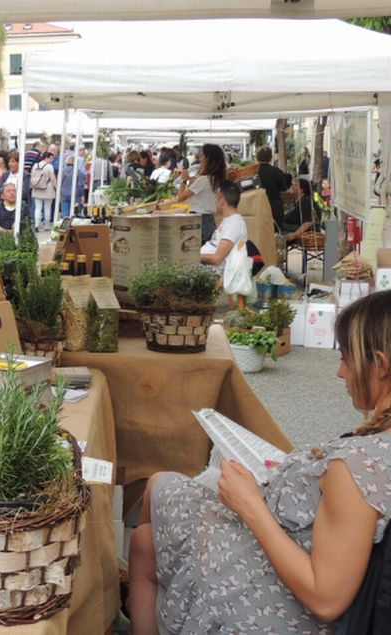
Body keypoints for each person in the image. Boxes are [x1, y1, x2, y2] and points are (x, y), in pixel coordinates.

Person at [128, 290, 391, 634]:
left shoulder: (356, 467)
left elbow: (326, 599)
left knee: (152, 514)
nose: (341, 373)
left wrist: (250, 503)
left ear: (380, 365)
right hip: (293, 545)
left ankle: (151, 603)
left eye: (346, 359)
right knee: (149, 526)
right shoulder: (373, 450)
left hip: (282, 602)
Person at [177, 143, 227, 243]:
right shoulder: (214, 179)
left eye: (202, 156)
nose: (200, 159)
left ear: (207, 159)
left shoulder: (203, 180)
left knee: (196, 249)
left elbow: (180, 198)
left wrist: (184, 181)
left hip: (199, 220)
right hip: (209, 220)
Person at [199, 179, 248, 271]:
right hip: (204, 267)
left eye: (215, 198)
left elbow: (217, 258)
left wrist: (193, 257)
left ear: (222, 200)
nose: (214, 201)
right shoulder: (228, 221)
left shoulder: (234, 224)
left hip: (212, 272)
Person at [256, 146, 291, 233]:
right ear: (270, 157)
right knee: (276, 233)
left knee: (259, 233)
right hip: (275, 207)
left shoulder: (253, 173)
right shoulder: (277, 172)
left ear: (257, 157)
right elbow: (283, 191)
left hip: (257, 207)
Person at [283, 178, 322, 243]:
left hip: (305, 233)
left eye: (295, 185)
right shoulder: (296, 202)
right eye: (292, 185)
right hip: (292, 228)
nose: (292, 187)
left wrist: (294, 234)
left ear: (302, 189)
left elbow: (308, 223)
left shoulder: (305, 201)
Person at [0, 181, 25, 249]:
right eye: (8, 191)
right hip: (2, 235)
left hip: (20, 234)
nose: (12, 193)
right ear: (2, 196)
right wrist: (7, 232)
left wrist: (17, 226)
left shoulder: (22, 206)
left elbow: (27, 220)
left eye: (14, 191)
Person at [30, 150, 57, 229]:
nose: (52, 160)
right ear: (46, 158)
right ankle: (47, 225)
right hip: (48, 189)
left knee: (38, 208)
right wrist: (56, 188)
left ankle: (37, 224)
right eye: (51, 158)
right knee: (47, 208)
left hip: (37, 188)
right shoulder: (49, 166)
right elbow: (53, 179)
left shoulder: (35, 165)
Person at [59, 154, 85, 218]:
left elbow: (59, 182)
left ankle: (65, 222)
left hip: (64, 193)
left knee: (65, 211)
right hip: (75, 194)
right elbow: (80, 185)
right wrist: (82, 195)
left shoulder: (62, 170)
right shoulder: (78, 172)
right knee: (74, 212)